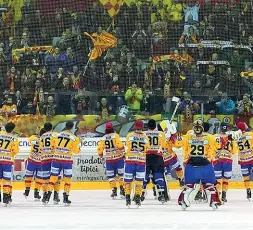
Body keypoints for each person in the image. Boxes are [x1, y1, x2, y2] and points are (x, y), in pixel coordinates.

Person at [178, 120, 222, 210]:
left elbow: (177, 143)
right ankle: (213, 201)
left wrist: (171, 135)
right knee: (209, 185)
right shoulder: (210, 137)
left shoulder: (187, 137)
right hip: (205, 165)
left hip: (191, 166)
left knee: (190, 186)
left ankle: (184, 201)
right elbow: (218, 147)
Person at [46, 121, 80, 205]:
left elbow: (53, 146)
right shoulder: (74, 138)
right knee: (67, 179)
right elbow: (76, 151)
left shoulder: (57, 135)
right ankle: (66, 197)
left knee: (53, 178)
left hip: (56, 159)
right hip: (67, 160)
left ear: (65, 126)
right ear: (72, 127)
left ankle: (47, 197)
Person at [124, 120, 150, 207]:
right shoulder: (146, 138)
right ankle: (138, 197)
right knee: (139, 181)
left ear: (135, 127)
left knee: (128, 180)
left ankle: (127, 197)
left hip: (129, 161)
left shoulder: (129, 136)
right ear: (142, 127)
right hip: (141, 162)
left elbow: (126, 147)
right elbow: (147, 149)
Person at [97, 122, 125, 198]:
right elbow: (120, 146)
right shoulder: (115, 136)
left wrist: (101, 155)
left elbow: (99, 149)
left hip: (109, 160)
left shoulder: (103, 138)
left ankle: (114, 191)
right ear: (112, 128)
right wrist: (123, 152)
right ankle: (122, 190)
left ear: (106, 129)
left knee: (111, 176)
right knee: (121, 175)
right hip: (119, 159)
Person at [142, 119, 167, 203]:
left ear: (147, 126)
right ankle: (161, 194)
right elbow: (164, 145)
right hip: (157, 157)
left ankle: (142, 193)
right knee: (158, 175)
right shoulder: (161, 134)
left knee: (145, 174)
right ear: (155, 126)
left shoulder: (144, 134)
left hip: (146, 156)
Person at [213, 123, 235, 203]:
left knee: (218, 180)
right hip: (228, 160)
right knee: (226, 179)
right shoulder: (230, 137)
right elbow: (234, 150)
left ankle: (218, 195)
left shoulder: (214, 137)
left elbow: (212, 148)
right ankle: (224, 195)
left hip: (217, 160)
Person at [23, 128, 46, 200]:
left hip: (31, 160)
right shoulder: (46, 141)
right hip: (41, 162)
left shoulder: (33, 138)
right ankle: (36, 193)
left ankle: (27, 191)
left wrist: (36, 135)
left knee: (28, 176)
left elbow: (29, 140)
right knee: (39, 178)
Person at [0, 122, 19, 206]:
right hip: (7, 162)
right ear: (13, 129)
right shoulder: (14, 138)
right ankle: (6, 197)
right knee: (7, 180)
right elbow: (16, 151)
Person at [39, 122, 59, 204]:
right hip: (54, 158)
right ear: (52, 128)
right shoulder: (55, 135)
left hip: (44, 158)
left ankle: (45, 195)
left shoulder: (41, 137)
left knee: (45, 178)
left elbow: (40, 148)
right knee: (56, 177)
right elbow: (57, 145)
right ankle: (55, 195)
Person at [234, 122, 253, 200]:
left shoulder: (236, 137)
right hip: (252, 158)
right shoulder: (250, 134)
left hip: (243, 160)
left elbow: (234, 148)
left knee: (246, 177)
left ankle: (248, 190)